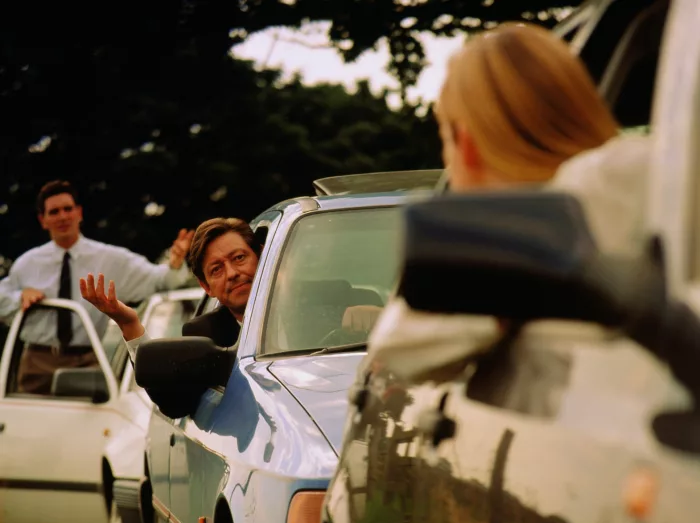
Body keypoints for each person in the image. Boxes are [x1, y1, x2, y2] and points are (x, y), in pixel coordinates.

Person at [368, 22, 651, 387]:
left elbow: (395, 350)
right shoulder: (657, 172)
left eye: (445, 141)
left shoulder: (587, 192)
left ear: (466, 144)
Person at [81, 216, 376, 362]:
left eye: (239, 258)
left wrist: (380, 322)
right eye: (217, 270)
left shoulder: (338, 299)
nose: (233, 274)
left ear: (262, 256)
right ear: (205, 287)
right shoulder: (204, 336)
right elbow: (174, 401)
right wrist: (129, 322)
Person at [0, 179, 194, 394]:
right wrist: (19, 297)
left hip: (87, 362)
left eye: (68, 209)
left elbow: (159, 280)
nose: (63, 216)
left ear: (79, 212)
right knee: (30, 426)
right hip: (37, 363)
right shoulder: (26, 264)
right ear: (43, 220)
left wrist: (175, 263)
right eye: (54, 212)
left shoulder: (111, 259)